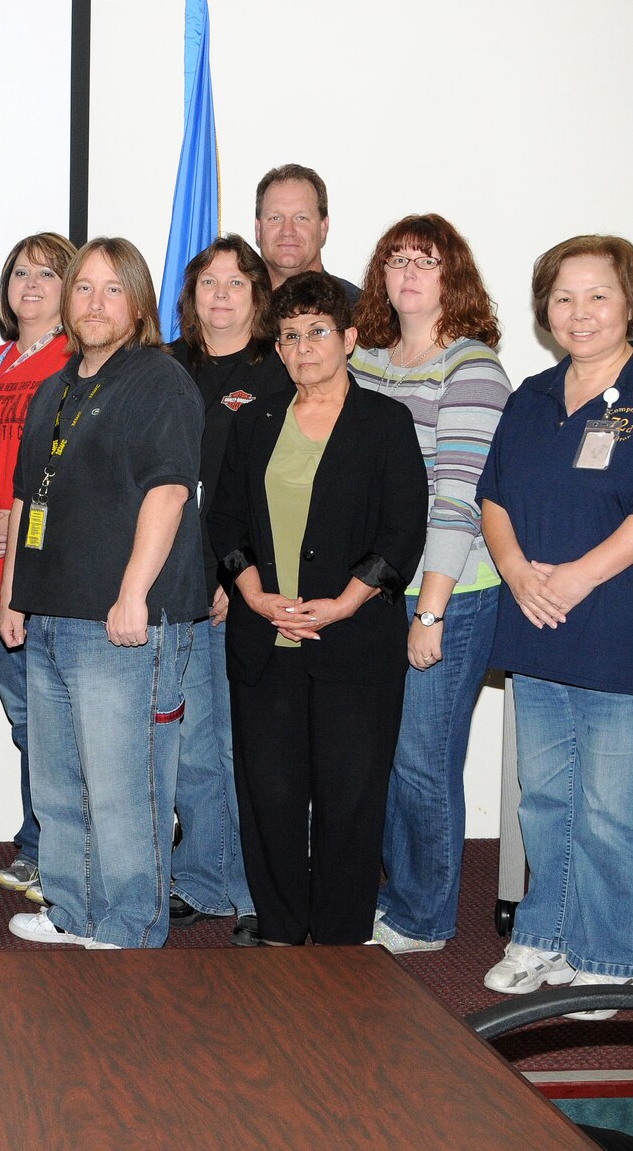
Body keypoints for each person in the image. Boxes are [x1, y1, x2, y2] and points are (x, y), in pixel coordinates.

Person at [479, 235, 633, 1012]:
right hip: (538, 622)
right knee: (544, 797)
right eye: (563, 296)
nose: (580, 312)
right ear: (546, 309)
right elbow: (495, 498)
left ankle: (608, 955)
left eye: (598, 294)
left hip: (622, 627)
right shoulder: (533, 396)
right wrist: (515, 571)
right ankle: (544, 933)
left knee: (610, 801)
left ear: (631, 302)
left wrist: (574, 577)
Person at [205, 272, 426, 946]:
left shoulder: (384, 423)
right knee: (269, 797)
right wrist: (250, 592)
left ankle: (339, 939)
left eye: (318, 333)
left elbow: (402, 531)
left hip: (353, 644)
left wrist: (342, 604)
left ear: (350, 339)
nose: (303, 348)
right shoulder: (255, 422)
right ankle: (278, 928)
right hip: (263, 641)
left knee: (349, 799)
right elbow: (225, 519)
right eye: (291, 336)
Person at [0, 238, 206, 950]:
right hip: (52, 616)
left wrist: (133, 594)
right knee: (58, 785)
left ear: (139, 303)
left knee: (124, 788)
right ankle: (73, 911)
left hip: (123, 623)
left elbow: (170, 489)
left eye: (111, 289)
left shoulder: (159, 380)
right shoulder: (56, 388)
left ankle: (127, 926)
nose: (93, 302)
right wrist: (13, 597)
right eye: (82, 288)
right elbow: (31, 499)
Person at [349, 214, 512, 956]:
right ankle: (399, 893)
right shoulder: (369, 360)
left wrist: (432, 611)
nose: (409, 272)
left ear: (454, 278)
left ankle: (425, 918)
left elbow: (459, 494)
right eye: (396, 260)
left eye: (426, 261)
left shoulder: (471, 367)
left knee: (423, 757)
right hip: (379, 588)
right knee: (384, 751)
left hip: (448, 590)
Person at [166, 233, 288, 948]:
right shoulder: (162, 367)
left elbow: (267, 492)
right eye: (208, 282)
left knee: (243, 745)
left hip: (246, 586)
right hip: (173, 584)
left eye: (235, 283)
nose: (220, 295)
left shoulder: (276, 374)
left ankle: (251, 889)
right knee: (190, 745)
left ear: (256, 295)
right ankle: (204, 876)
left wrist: (229, 575)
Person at [0, 231, 75, 902]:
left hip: (40, 573)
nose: (30, 286)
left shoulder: (76, 362)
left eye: (47, 274)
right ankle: (39, 841)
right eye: (20, 273)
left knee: (52, 720)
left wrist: (27, 523)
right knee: (23, 719)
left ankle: (54, 849)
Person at [253, 163, 359, 305]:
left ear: (323, 227)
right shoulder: (236, 310)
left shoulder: (360, 311)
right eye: (275, 218)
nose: (287, 231)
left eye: (301, 218)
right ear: (258, 228)